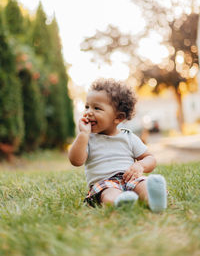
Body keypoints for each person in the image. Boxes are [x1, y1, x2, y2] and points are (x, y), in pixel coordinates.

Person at [68, 78, 167, 212]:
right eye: (87, 106)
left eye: (96, 108)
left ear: (118, 118)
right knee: (109, 194)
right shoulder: (87, 138)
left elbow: (150, 158)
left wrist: (140, 165)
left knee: (143, 185)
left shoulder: (128, 137)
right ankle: (121, 203)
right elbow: (76, 161)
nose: (88, 112)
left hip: (130, 178)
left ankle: (154, 200)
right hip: (105, 184)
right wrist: (83, 135)